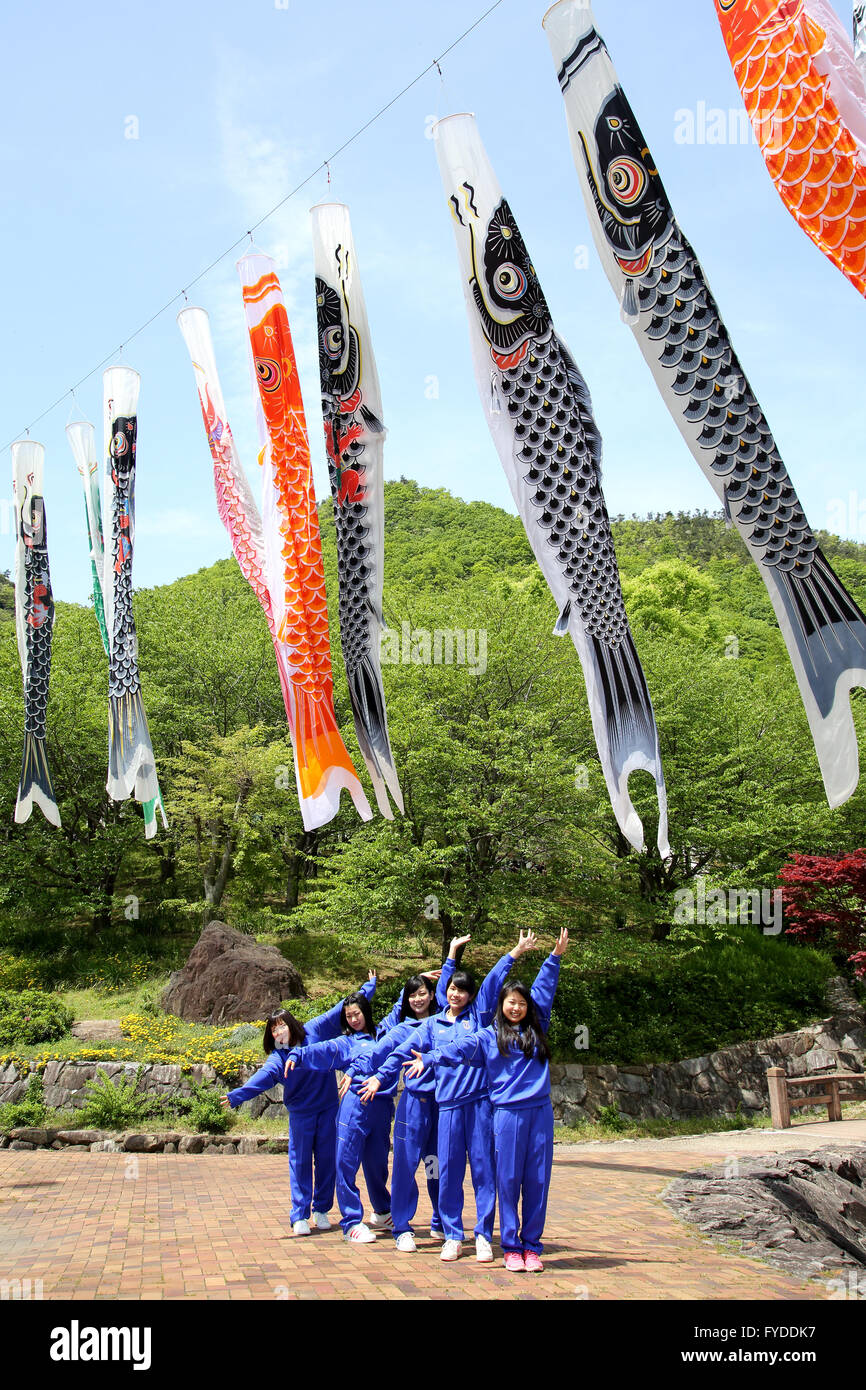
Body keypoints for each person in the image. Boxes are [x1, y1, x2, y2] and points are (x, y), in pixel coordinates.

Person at [359, 930, 539, 1263]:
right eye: (451, 988)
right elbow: (399, 1053)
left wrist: (514, 953)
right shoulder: (430, 1026)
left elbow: (492, 985)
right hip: (443, 1107)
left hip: (478, 1106)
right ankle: (445, 1234)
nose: (455, 994)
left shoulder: (480, 1019)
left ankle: (483, 1234)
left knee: (481, 1171)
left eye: (462, 989)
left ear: (471, 995)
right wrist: (378, 1078)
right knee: (443, 1170)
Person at [404, 929, 568, 1272]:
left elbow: (543, 990)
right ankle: (506, 1245)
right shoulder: (488, 1034)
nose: (517, 1007)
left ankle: (529, 1246)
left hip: (537, 1112)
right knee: (503, 1179)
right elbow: (457, 1048)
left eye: (522, 1003)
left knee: (535, 1180)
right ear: (500, 1005)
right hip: (503, 1114)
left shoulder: (538, 1027)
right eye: (511, 1002)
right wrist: (429, 1060)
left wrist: (553, 958)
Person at [219, 972, 376, 1236]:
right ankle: (299, 1214)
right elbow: (262, 1080)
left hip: (328, 1108)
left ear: (291, 1025)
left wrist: (369, 987)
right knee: (300, 1162)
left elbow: (342, 1010)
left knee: (327, 1160)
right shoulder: (278, 1059)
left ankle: (322, 1209)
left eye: (281, 1026)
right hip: (301, 1115)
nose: (278, 1031)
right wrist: (238, 1095)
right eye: (273, 1029)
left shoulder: (314, 1030)